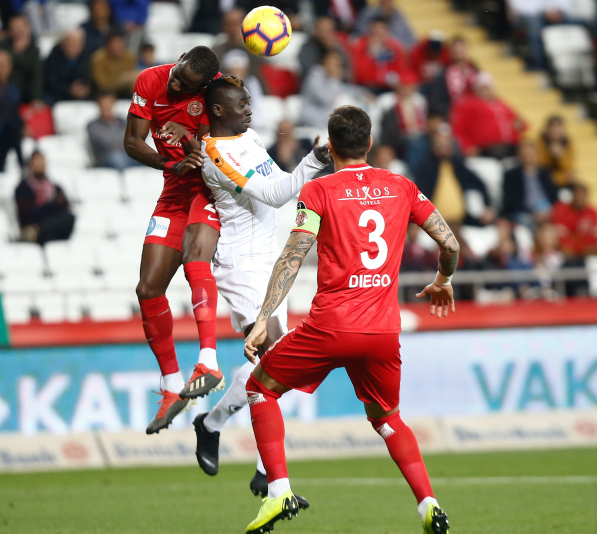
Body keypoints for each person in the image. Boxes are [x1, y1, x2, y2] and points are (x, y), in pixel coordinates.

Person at [242, 105, 456, 534]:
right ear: (370, 143)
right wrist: (442, 279)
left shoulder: (318, 191)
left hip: (330, 327)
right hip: (382, 331)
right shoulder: (402, 186)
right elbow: (449, 243)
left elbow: (294, 253)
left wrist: (265, 316)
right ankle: (428, 503)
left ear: (330, 145)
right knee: (388, 418)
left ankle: (279, 491)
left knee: (259, 388)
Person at [192, 74, 328, 504]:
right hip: (244, 263)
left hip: (270, 258)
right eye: (242, 104)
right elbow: (274, 194)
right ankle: (269, 474)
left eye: (249, 102)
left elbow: (280, 180)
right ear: (218, 110)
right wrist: (314, 159)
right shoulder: (216, 152)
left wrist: (311, 163)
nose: (250, 109)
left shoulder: (247, 137)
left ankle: (213, 426)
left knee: (274, 364)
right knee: (276, 357)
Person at [123, 47, 224, 433]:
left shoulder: (216, 94)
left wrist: (195, 141)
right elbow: (133, 142)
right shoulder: (150, 79)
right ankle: (170, 385)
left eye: (186, 85)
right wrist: (171, 164)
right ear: (178, 59)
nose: (176, 85)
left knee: (194, 257)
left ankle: (208, 360)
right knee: (147, 289)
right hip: (174, 189)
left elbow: (223, 150)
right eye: (177, 75)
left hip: (210, 190)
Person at [451, 72, 527, 158]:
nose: (486, 91)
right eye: (483, 88)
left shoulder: (502, 104)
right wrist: (467, 145)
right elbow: (459, 128)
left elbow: (521, 122)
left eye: (488, 88)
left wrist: (520, 125)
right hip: (485, 149)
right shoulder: (468, 104)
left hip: (510, 146)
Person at [15, 151, 76, 245]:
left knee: (69, 218)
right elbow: (28, 215)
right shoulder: (23, 188)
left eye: (42, 161)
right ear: (30, 165)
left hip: (49, 229)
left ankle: (40, 231)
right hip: (32, 231)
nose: (40, 164)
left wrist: (44, 210)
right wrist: (54, 205)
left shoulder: (55, 187)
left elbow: (65, 206)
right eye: (37, 161)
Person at [299, 49, 369, 128]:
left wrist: (363, 93)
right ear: (325, 61)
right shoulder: (315, 74)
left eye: (338, 63)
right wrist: (334, 79)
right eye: (334, 61)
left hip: (327, 119)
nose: (336, 66)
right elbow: (325, 98)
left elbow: (346, 89)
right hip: (311, 118)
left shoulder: (331, 78)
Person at [501, 140, 558, 228]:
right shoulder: (511, 175)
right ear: (519, 156)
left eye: (530, 154)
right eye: (525, 154)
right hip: (525, 213)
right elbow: (511, 201)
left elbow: (554, 196)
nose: (527, 157)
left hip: (547, 211)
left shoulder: (545, 173)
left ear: (536, 155)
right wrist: (533, 213)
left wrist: (551, 211)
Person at [348, 16, 408, 93]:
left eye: (381, 33)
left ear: (387, 31)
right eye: (375, 33)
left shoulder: (394, 47)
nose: (378, 37)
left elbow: (401, 70)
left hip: (389, 87)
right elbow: (359, 75)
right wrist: (370, 55)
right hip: (365, 87)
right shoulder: (359, 46)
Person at [424, 35, 478, 119]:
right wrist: (452, 112)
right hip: (453, 116)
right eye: (456, 50)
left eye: (461, 49)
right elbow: (437, 101)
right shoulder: (443, 74)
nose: (459, 51)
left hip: (475, 113)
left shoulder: (475, 70)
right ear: (451, 52)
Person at [507, 0, 571, 69]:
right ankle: (539, 62)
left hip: (558, 14)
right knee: (535, 26)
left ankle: (569, 61)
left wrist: (556, 11)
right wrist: (544, 12)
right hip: (530, 15)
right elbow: (519, 7)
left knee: (577, 21)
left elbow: (567, 4)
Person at [0, 15, 43, 105]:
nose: (18, 31)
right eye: (15, 27)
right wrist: (15, 51)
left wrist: (37, 97)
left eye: (21, 27)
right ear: (9, 30)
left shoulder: (34, 50)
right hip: (5, 91)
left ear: (28, 29)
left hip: (26, 94)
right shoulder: (1, 45)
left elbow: (37, 75)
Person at [551, 182, 597, 260]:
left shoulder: (592, 212)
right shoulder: (561, 209)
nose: (580, 198)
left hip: (586, 250)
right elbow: (559, 235)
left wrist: (582, 247)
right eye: (577, 194)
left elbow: (595, 236)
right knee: (564, 251)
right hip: (566, 251)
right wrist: (573, 247)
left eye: (582, 195)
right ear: (573, 195)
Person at [88, 90, 137, 170]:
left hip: (127, 156)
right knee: (117, 158)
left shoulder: (122, 122)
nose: (107, 107)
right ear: (98, 105)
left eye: (109, 103)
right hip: (105, 159)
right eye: (104, 104)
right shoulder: (93, 125)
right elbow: (106, 143)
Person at [212, 8, 265, 80]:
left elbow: (261, 64)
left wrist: (241, 43)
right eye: (229, 24)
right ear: (224, 27)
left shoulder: (254, 47)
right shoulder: (217, 49)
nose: (233, 29)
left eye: (236, 24)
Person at [221, 50, 266, 131]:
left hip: (251, 125)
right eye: (235, 71)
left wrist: (254, 124)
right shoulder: (221, 87)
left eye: (241, 71)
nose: (239, 74)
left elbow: (258, 104)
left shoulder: (252, 82)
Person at [44, 28, 91, 104]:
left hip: (79, 95)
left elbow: (86, 76)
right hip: (58, 95)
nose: (74, 46)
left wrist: (84, 88)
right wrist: (69, 90)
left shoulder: (85, 55)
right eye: (71, 43)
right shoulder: (54, 56)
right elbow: (51, 82)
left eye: (77, 43)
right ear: (63, 43)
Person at [90, 30, 137, 98]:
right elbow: (101, 84)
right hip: (103, 94)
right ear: (108, 44)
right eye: (115, 42)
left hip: (124, 93)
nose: (118, 46)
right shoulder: (98, 58)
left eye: (120, 42)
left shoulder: (130, 57)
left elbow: (131, 78)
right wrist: (122, 80)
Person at [537, 115, 576, 189]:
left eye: (558, 127)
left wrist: (560, 156)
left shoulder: (568, 143)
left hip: (563, 182)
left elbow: (569, 166)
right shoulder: (540, 143)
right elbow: (540, 166)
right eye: (553, 127)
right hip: (544, 181)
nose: (555, 130)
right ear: (547, 129)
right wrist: (550, 154)